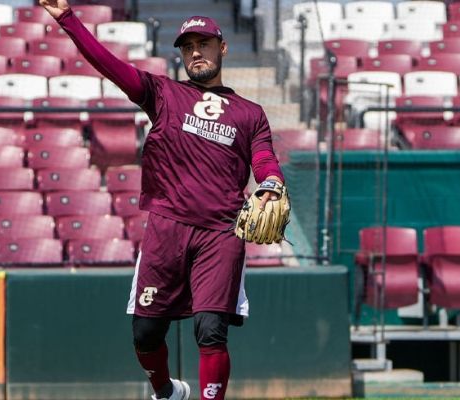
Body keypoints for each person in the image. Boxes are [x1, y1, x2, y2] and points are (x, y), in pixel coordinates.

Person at [40, 1, 286, 399]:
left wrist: (271, 181)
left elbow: (263, 158)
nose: (195, 52)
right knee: (145, 331)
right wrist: (68, 19)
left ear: (222, 48)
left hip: (221, 232)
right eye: (187, 46)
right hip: (167, 228)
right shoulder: (163, 93)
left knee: (211, 330)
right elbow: (109, 65)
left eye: (204, 44)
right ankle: (167, 391)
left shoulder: (250, 113)